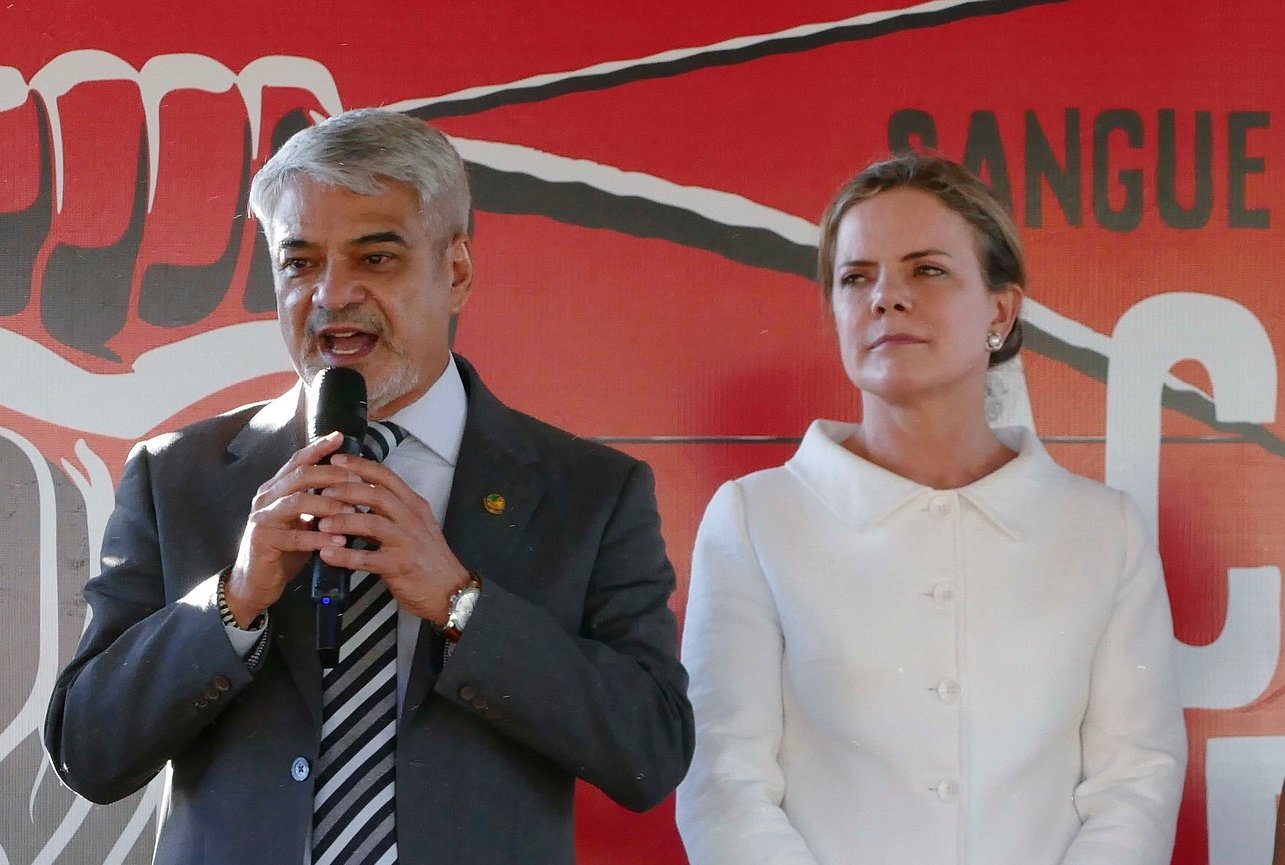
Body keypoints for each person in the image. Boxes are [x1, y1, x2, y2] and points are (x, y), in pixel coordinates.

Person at [44, 108, 693, 865]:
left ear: (455, 272)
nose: (331, 294)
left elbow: (649, 750)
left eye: (374, 259)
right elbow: (88, 752)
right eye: (300, 262)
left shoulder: (590, 492)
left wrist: (461, 603)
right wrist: (234, 597)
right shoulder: (176, 475)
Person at [675, 153, 1187, 865]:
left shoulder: (1104, 531)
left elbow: (1134, 782)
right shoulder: (754, 520)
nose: (886, 296)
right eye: (856, 277)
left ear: (999, 311)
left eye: (927, 269)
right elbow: (723, 779)